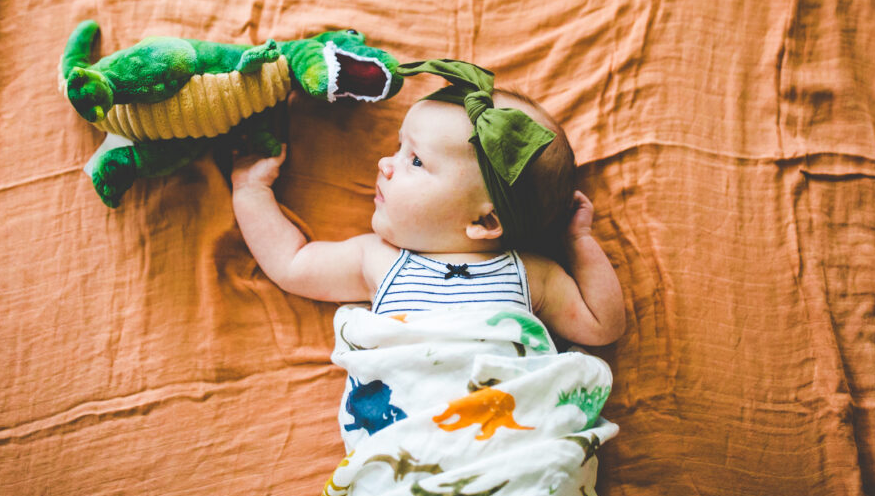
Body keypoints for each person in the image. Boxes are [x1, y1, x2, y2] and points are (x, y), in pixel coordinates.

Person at [231, 58, 624, 350]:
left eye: (415, 160)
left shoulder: (531, 274)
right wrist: (251, 191)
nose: (385, 164)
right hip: (414, 441)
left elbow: (602, 326)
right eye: (398, 147)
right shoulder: (377, 259)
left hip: (512, 435)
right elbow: (292, 264)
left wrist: (579, 242)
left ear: (485, 221)